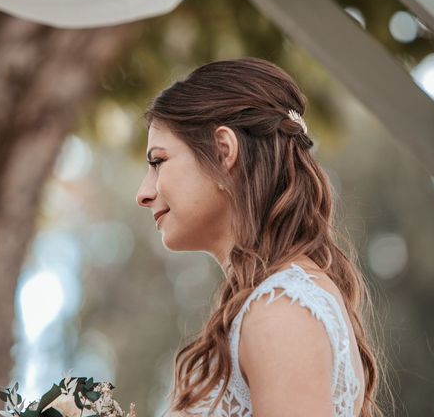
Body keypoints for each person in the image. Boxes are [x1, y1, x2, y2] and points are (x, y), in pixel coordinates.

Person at [135, 57, 388, 417]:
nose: (143, 193)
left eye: (158, 161)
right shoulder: (275, 302)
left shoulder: (280, 311)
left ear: (224, 151)